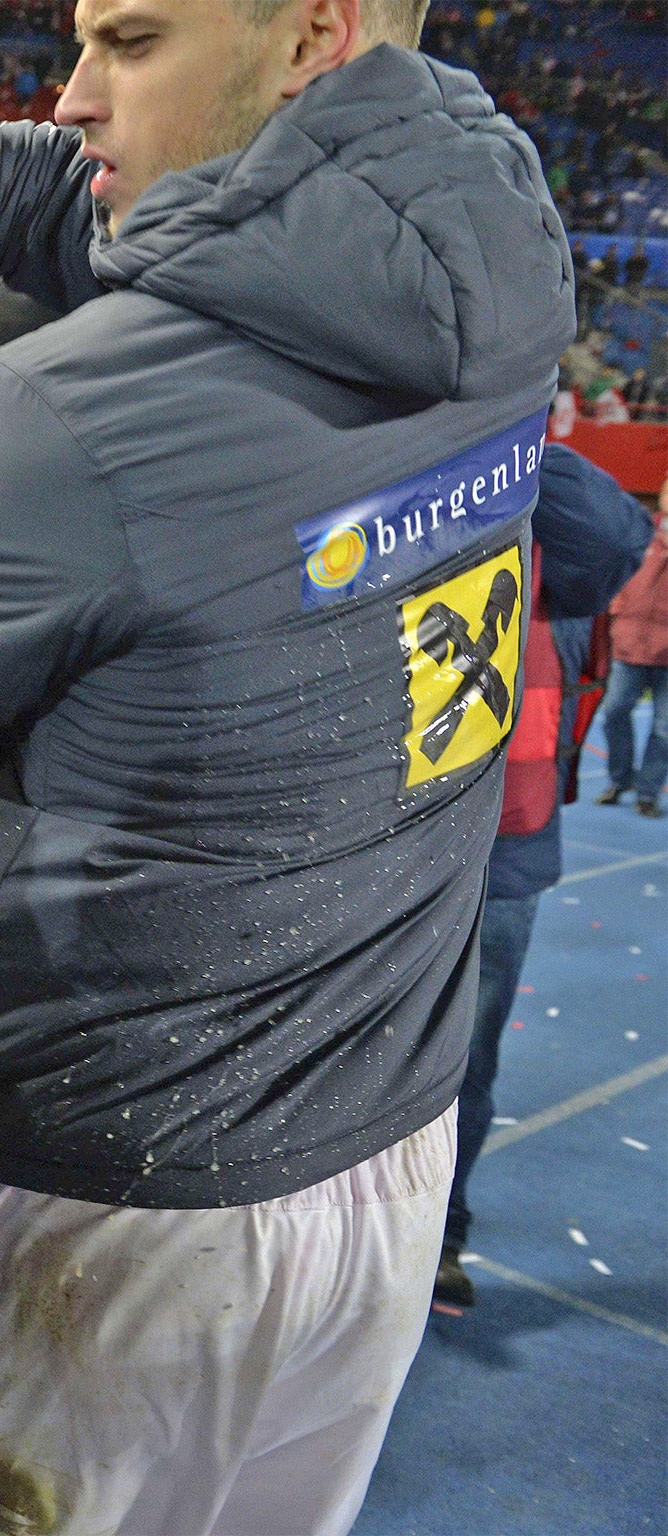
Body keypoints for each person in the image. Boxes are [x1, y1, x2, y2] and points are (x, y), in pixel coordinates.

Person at [0, 0, 574, 1530]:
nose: (70, 96)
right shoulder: (501, 247)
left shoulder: (77, 408)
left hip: (107, 1210)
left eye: (127, 42)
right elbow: (32, 181)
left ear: (311, 35)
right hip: (386, 1143)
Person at [434, 445, 652, 1307]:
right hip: (385, 845)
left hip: (505, 848)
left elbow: (611, 536)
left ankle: (442, 1233)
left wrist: (515, 419)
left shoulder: (548, 527)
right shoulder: (398, 514)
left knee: (467, 1064)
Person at [597, 472, 668, 816]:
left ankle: (648, 792)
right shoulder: (639, 530)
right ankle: (620, 778)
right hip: (629, 644)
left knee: (664, 728)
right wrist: (617, 611)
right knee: (614, 712)